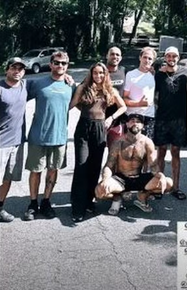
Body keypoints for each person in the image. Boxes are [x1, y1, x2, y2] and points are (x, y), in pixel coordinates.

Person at [69, 62, 126, 222]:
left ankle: (89, 201)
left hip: (100, 128)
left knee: (94, 167)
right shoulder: (83, 88)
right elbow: (71, 105)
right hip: (84, 128)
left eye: (101, 73)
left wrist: (111, 118)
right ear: (91, 74)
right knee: (82, 166)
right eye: (95, 73)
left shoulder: (110, 90)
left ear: (105, 74)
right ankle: (77, 207)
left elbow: (123, 107)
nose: (98, 76)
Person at [24, 51, 75, 221]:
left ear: (67, 66)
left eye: (64, 63)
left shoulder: (71, 86)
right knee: (35, 171)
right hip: (38, 136)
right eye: (57, 62)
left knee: (53, 171)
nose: (60, 66)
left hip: (59, 138)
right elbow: (15, 90)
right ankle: (33, 203)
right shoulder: (38, 84)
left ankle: (46, 201)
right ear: (50, 64)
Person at [95, 113, 173, 216]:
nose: (135, 123)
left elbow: (153, 165)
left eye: (138, 122)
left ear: (142, 126)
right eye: (132, 121)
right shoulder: (118, 142)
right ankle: (117, 197)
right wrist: (105, 180)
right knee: (99, 191)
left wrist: (161, 176)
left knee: (168, 183)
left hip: (139, 178)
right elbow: (109, 165)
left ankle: (143, 196)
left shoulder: (147, 142)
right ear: (127, 124)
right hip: (121, 179)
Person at [154, 46, 187, 200]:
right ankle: (159, 186)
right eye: (168, 56)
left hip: (179, 120)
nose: (171, 59)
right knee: (161, 151)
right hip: (162, 118)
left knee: (175, 152)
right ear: (165, 58)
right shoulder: (158, 75)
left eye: (174, 56)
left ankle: (176, 187)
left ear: (178, 57)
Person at [0, 58, 27, 222]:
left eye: (20, 69)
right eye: (13, 68)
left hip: (17, 142)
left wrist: (67, 77)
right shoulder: (1, 88)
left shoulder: (25, 86)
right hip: (0, 143)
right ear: (7, 70)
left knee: (8, 178)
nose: (17, 71)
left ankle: (0, 207)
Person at [123, 47, 156, 140]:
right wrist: (139, 104)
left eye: (150, 58)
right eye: (145, 57)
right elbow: (124, 98)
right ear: (140, 58)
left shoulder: (154, 75)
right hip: (132, 117)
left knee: (146, 150)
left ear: (153, 61)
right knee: (129, 149)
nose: (147, 60)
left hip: (149, 117)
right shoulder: (130, 75)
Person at [105, 46, 127, 147]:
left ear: (121, 58)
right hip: (101, 118)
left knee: (115, 153)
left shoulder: (123, 71)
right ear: (107, 56)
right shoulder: (100, 71)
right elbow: (83, 88)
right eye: (112, 54)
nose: (115, 56)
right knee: (97, 152)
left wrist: (151, 71)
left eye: (117, 54)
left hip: (118, 118)